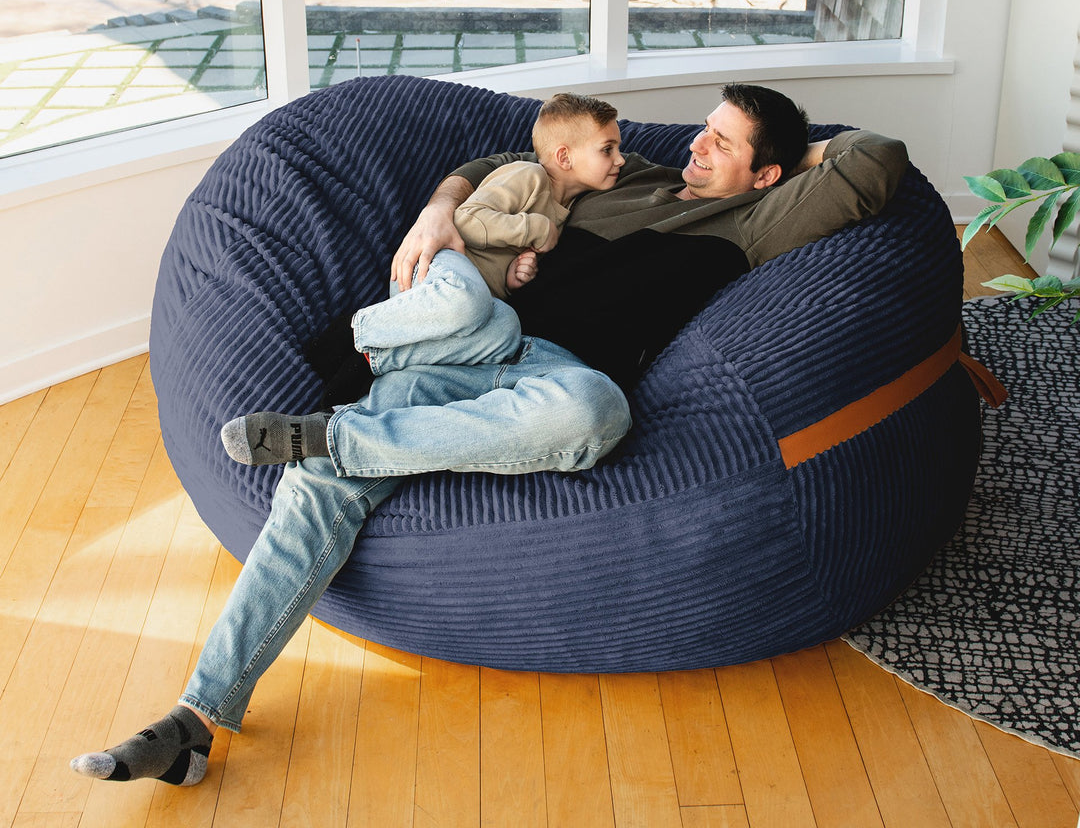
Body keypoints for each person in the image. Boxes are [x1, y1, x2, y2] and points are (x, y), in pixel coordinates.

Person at [70, 83, 908, 787]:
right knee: (324, 487)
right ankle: (200, 713)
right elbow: (492, 165)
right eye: (705, 128)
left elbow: (874, 161)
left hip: (554, 369)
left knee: (597, 417)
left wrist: (797, 159)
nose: (696, 146)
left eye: (722, 144)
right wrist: (438, 216)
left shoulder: (755, 222)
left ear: (764, 174)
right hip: (472, 336)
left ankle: (338, 443)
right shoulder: (633, 171)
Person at [277, 92, 624, 430]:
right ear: (564, 157)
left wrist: (512, 277)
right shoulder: (528, 176)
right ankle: (351, 331)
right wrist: (535, 227)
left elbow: (495, 257)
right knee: (469, 298)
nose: (620, 159)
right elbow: (469, 221)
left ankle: (370, 366)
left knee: (506, 327)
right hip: (439, 270)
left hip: (461, 304)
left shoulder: (566, 211)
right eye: (608, 150)